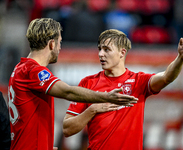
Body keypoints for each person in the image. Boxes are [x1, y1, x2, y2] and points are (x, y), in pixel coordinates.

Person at [7, 18, 137, 150]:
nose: (60, 47)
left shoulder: (20, 68)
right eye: (59, 42)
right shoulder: (34, 71)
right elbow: (67, 91)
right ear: (52, 44)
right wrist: (107, 97)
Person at [63, 29, 183, 150]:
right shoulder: (88, 83)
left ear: (122, 52)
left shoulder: (139, 81)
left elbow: (167, 77)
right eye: (99, 49)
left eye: (106, 49)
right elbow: (67, 129)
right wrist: (92, 110)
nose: (101, 54)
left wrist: (180, 59)